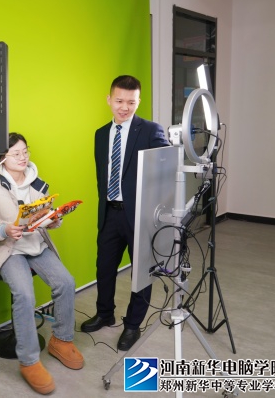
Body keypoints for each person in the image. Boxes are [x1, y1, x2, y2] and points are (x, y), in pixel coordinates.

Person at [0, 133, 83, 395]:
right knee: (24, 294)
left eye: (25, 151)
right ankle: (29, 361)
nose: (23, 157)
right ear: (2, 158)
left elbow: (46, 216)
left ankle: (62, 340)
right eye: (16, 153)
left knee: (66, 282)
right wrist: (4, 229)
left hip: (35, 245)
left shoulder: (39, 182)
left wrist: (54, 219)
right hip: (8, 250)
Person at [80, 75, 170, 351]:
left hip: (140, 216)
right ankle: (104, 313)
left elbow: (167, 169)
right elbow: (103, 175)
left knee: (141, 273)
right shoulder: (100, 134)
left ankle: (133, 325)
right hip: (110, 212)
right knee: (104, 268)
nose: (124, 107)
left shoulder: (151, 131)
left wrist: (156, 212)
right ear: (109, 100)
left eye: (131, 102)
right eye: (119, 101)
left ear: (138, 101)